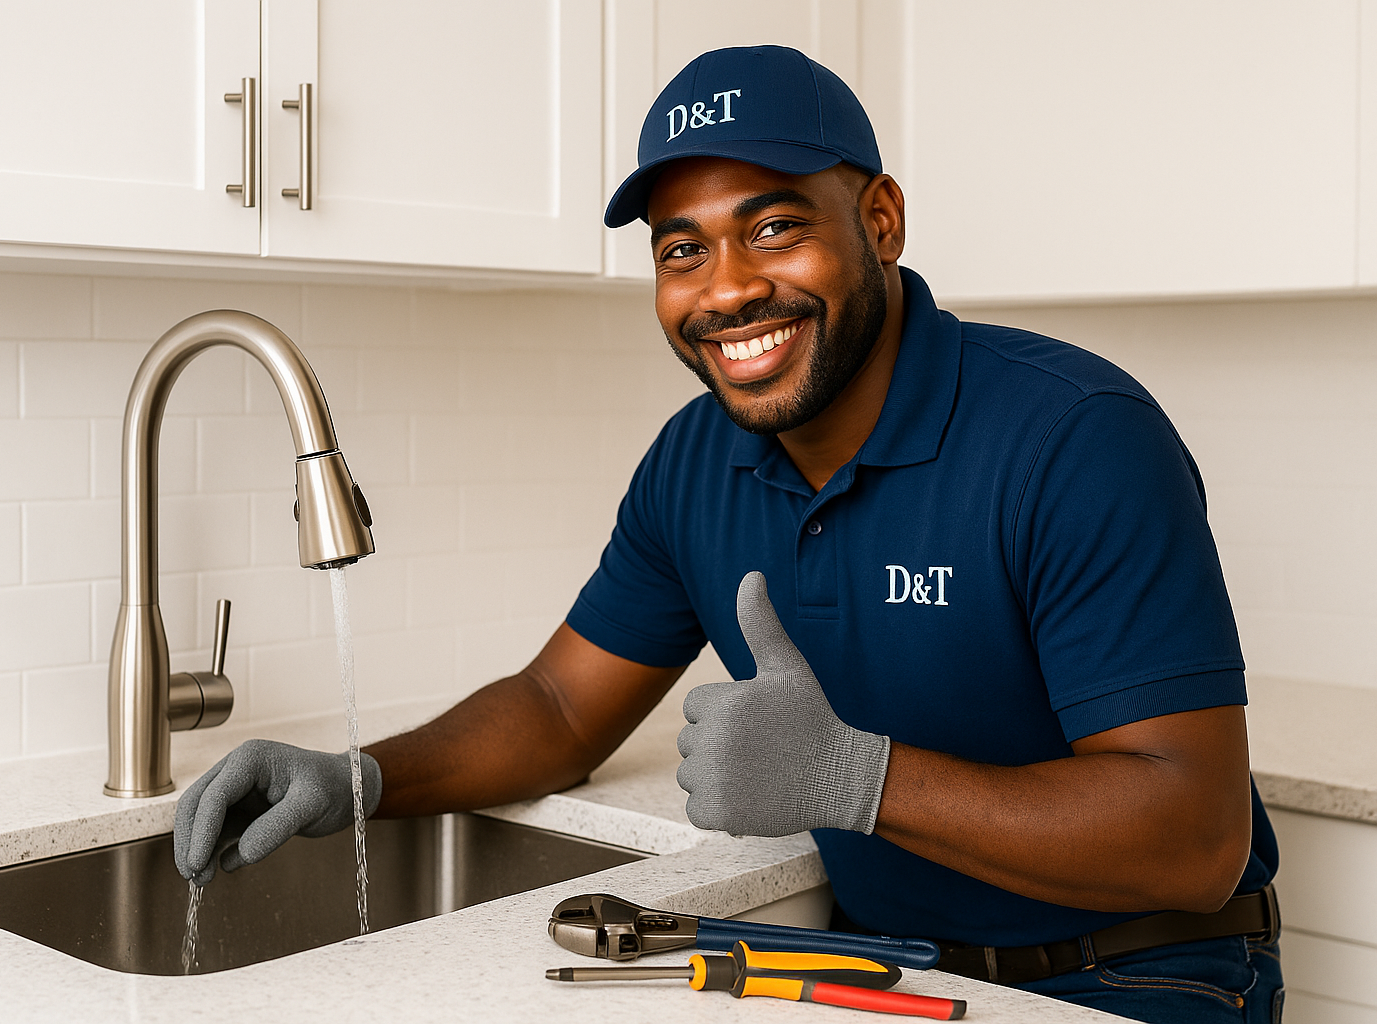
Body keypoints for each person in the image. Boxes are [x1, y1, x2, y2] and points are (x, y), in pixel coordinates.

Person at [172, 45, 1282, 1024]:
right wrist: (359, 778)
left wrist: (860, 779)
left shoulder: (1073, 436)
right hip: (882, 971)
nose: (730, 289)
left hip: (1132, 978)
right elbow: (559, 707)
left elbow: (1191, 837)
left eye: (775, 227)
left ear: (880, 222)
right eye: (683, 250)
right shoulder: (693, 461)